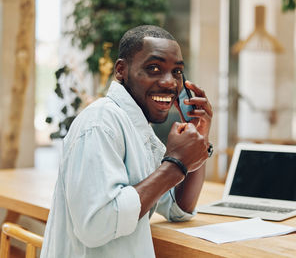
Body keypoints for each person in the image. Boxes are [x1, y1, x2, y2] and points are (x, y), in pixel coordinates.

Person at [40, 25, 213, 257]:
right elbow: (96, 225)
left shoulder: (138, 129)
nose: (170, 82)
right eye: (154, 68)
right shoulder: (100, 123)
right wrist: (175, 165)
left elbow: (178, 207)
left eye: (177, 72)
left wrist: (198, 138)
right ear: (121, 70)